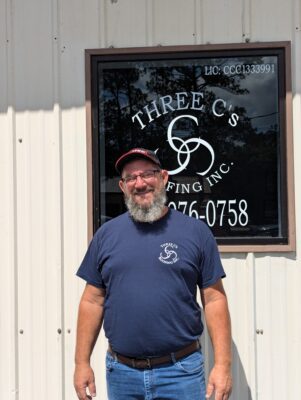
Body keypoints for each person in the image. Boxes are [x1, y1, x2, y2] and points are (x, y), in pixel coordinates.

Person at [74, 148, 232, 400]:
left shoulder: (196, 233)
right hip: (122, 373)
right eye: (131, 178)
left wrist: (223, 365)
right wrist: (81, 363)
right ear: (123, 187)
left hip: (181, 372)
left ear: (164, 177)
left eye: (147, 174)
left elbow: (214, 300)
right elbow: (92, 300)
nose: (140, 183)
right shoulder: (106, 236)